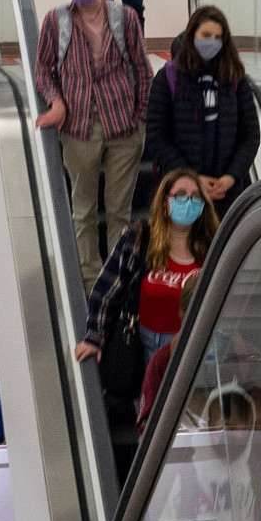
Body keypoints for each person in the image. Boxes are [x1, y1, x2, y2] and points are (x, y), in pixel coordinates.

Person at [34, 0, 149, 288]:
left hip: (123, 125)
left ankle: (118, 280)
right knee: (82, 210)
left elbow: (142, 68)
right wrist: (56, 102)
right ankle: (89, 280)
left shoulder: (124, 17)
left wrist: (141, 117)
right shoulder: (56, 21)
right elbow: (42, 70)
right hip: (79, 127)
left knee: (119, 211)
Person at [75, 168, 220, 426]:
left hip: (193, 343)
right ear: (165, 203)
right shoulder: (139, 238)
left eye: (196, 196)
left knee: (192, 418)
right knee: (151, 419)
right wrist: (94, 337)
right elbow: (108, 288)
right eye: (181, 195)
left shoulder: (212, 246)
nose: (189, 201)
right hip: (144, 344)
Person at [147, 4, 261, 211]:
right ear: (192, 35)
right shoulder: (168, 78)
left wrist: (230, 177)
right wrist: (192, 179)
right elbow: (157, 136)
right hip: (181, 192)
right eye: (206, 35)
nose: (212, 42)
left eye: (218, 37)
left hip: (226, 192)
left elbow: (251, 134)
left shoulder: (236, 79)